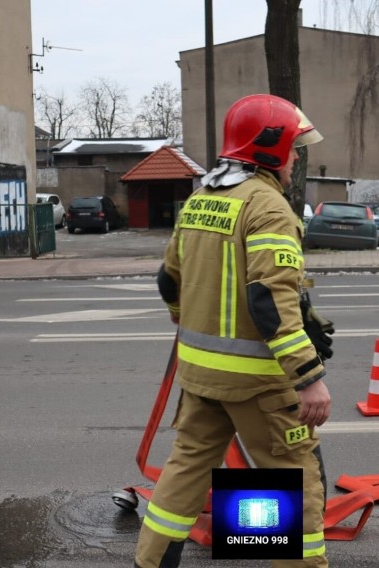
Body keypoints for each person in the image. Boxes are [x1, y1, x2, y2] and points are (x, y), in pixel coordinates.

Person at [134, 94, 333, 568]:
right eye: (293, 147)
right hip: (259, 384)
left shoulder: (202, 199)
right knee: (293, 482)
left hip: (202, 376)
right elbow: (268, 300)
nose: (296, 157)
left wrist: (185, 315)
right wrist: (308, 377)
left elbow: (169, 280)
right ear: (269, 148)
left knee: (185, 470)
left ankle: (149, 562)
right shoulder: (268, 207)